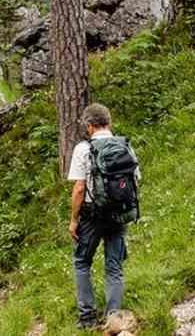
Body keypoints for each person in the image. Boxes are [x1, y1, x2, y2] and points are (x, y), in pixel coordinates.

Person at [67, 103, 140, 328]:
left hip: (92, 215)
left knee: (82, 262)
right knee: (114, 265)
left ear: (89, 126)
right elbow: (136, 179)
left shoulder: (83, 149)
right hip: (119, 213)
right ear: (108, 122)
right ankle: (114, 318)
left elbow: (79, 188)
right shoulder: (125, 145)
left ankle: (87, 318)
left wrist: (73, 220)